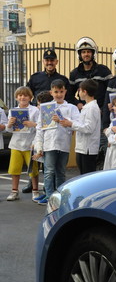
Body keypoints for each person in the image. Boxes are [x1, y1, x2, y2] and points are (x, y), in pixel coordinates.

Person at [23, 49, 72, 194]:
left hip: (57, 120)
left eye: (52, 60)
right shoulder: (35, 77)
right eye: (47, 60)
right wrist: (32, 109)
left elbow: (70, 98)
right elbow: (28, 93)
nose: (49, 62)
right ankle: (32, 184)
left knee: (53, 165)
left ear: (56, 62)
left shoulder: (63, 79)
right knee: (38, 154)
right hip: (39, 116)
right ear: (43, 62)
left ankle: (51, 189)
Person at [33, 79, 80, 205]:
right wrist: (39, 146)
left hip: (63, 145)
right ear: (51, 92)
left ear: (65, 91)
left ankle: (59, 196)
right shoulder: (46, 108)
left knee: (61, 172)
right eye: (56, 92)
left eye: (61, 91)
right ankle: (49, 196)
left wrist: (63, 120)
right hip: (49, 144)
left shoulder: (71, 108)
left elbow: (77, 124)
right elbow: (39, 128)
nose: (59, 94)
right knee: (49, 172)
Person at [5, 86, 39, 201]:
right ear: (16, 97)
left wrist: (32, 124)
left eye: (25, 95)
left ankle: (35, 191)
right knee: (14, 169)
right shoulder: (12, 111)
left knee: (33, 170)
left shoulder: (35, 110)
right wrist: (9, 124)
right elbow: (8, 130)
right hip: (16, 144)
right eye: (20, 95)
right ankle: (14, 191)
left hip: (30, 144)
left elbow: (40, 126)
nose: (22, 97)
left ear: (30, 97)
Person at [60, 79, 101, 175]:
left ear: (84, 91)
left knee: (87, 175)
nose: (79, 93)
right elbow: (82, 123)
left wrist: (71, 124)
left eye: (79, 90)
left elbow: (88, 128)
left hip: (88, 148)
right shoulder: (87, 106)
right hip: (82, 147)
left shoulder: (92, 108)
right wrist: (69, 122)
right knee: (83, 174)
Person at [69, 37, 112, 110]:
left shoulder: (103, 71)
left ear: (93, 53)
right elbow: (69, 94)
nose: (86, 54)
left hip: (101, 111)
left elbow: (110, 91)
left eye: (88, 52)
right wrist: (77, 103)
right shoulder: (74, 74)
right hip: (83, 112)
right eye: (83, 52)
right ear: (79, 54)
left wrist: (104, 109)